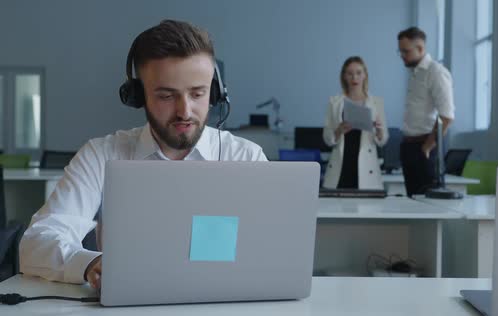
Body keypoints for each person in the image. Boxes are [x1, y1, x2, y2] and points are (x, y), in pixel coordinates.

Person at [19, 20, 267, 289]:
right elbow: (36, 243)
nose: (185, 111)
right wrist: (88, 263)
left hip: (227, 299)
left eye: (198, 93)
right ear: (137, 96)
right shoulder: (101, 155)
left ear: (216, 93)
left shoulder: (247, 157)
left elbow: (272, 245)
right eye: (166, 96)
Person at [397, 27, 455, 197]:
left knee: (428, 205)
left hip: (424, 147)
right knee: (413, 202)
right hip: (409, 145)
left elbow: (447, 115)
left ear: (421, 48)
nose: (402, 55)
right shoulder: (415, 74)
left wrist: (427, 147)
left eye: (406, 51)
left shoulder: (436, 72)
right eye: (400, 51)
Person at [322, 56, 389, 190]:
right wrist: (339, 130)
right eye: (350, 73)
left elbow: (383, 140)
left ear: (365, 75)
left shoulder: (376, 102)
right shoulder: (334, 102)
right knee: (336, 208)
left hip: (366, 166)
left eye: (358, 73)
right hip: (341, 163)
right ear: (344, 76)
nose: (354, 78)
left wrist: (379, 129)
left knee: (367, 209)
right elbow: (327, 138)